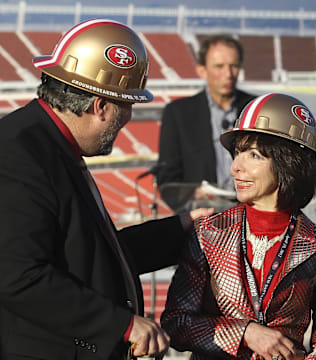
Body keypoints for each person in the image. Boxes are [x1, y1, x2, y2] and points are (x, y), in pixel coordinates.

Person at [0, 18, 214, 360]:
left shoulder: (49, 145)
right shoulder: (17, 154)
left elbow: (88, 258)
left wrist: (179, 229)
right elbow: (17, 277)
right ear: (100, 106)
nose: (128, 118)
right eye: (126, 105)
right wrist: (121, 325)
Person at [161, 93, 316, 359]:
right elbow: (176, 324)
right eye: (238, 153)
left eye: (255, 155)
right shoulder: (207, 233)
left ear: (287, 163)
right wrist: (245, 332)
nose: (236, 167)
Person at [157, 34, 255, 211]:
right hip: (202, 218)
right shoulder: (177, 113)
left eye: (234, 66)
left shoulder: (255, 108)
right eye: (219, 66)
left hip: (250, 216)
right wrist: (193, 195)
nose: (228, 74)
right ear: (202, 70)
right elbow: (167, 177)